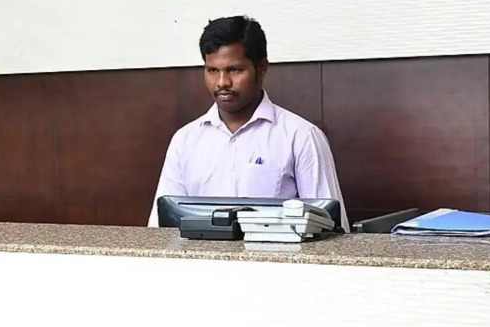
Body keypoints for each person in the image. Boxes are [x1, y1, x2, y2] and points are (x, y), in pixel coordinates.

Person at [148, 15, 349, 231]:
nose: (222, 82)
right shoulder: (185, 140)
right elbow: (162, 228)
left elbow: (331, 230)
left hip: (278, 253)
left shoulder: (301, 136)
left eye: (234, 70)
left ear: (261, 68)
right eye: (213, 70)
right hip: (199, 254)